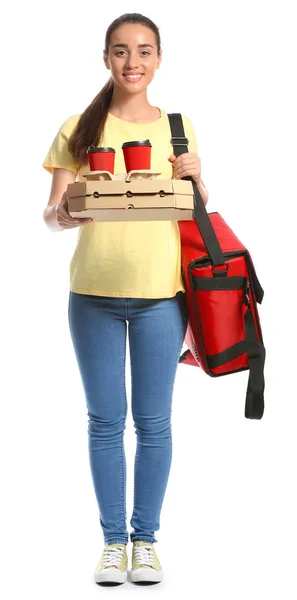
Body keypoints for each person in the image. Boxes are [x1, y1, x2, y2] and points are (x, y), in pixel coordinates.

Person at [42, 12, 209, 586]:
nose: (132, 62)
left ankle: (145, 540)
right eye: (120, 51)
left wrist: (198, 179)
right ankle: (113, 542)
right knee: (105, 421)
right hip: (91, 294)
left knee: (155, 423)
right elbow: (51, 216)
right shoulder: (78, 128)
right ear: (106, 58)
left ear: (158, 59)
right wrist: (68, 210)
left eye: (143, 51)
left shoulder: (179, 128)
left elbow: (193, 212)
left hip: (163, 296)